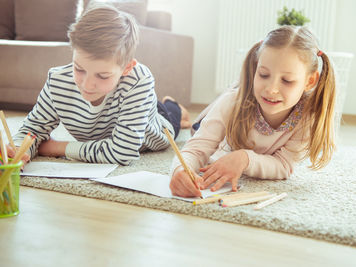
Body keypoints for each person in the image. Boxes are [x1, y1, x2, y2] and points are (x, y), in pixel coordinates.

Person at [9, 4, 190, 166]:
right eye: (79, 69)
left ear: (127, 68)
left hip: (154, 124)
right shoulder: (57, 80)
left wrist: (57, 147)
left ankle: (174, 106)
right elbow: (32, 131)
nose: (87, 85)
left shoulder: (139, 80)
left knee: (171, 120)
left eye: (102, 76)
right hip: (121, 112)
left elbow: (123, 153)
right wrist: (18, 150)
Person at [170, 25, 336, 197]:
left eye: (287, 80)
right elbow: (197, 148)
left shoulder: (308, 118)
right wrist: (180, 170)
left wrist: (245, 159)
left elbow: (283, 166)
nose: (271, 89)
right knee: (189, 125)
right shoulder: (232, 102)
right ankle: (175, 107)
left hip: (232, 129)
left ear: (310, 81)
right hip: (211, 122)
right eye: (263, 75)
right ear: (256, 68)